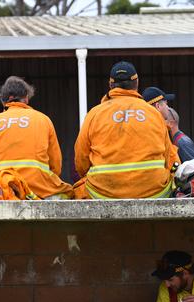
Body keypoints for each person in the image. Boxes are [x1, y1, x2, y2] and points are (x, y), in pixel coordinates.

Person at [74, 62, 178, 199]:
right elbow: (170, 159)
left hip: (103, 193)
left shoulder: (94, 114)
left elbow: (81, 162)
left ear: (110, 85)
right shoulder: (153, 113)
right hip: (154, 192)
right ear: (137, 83)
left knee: (78, 188)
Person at [0, 76, 72, 200]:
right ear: (26, 98)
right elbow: (56, 166)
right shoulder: (43, 119)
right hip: (39, 189)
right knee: (68, 193)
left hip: (7, 188)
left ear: (4, 101)